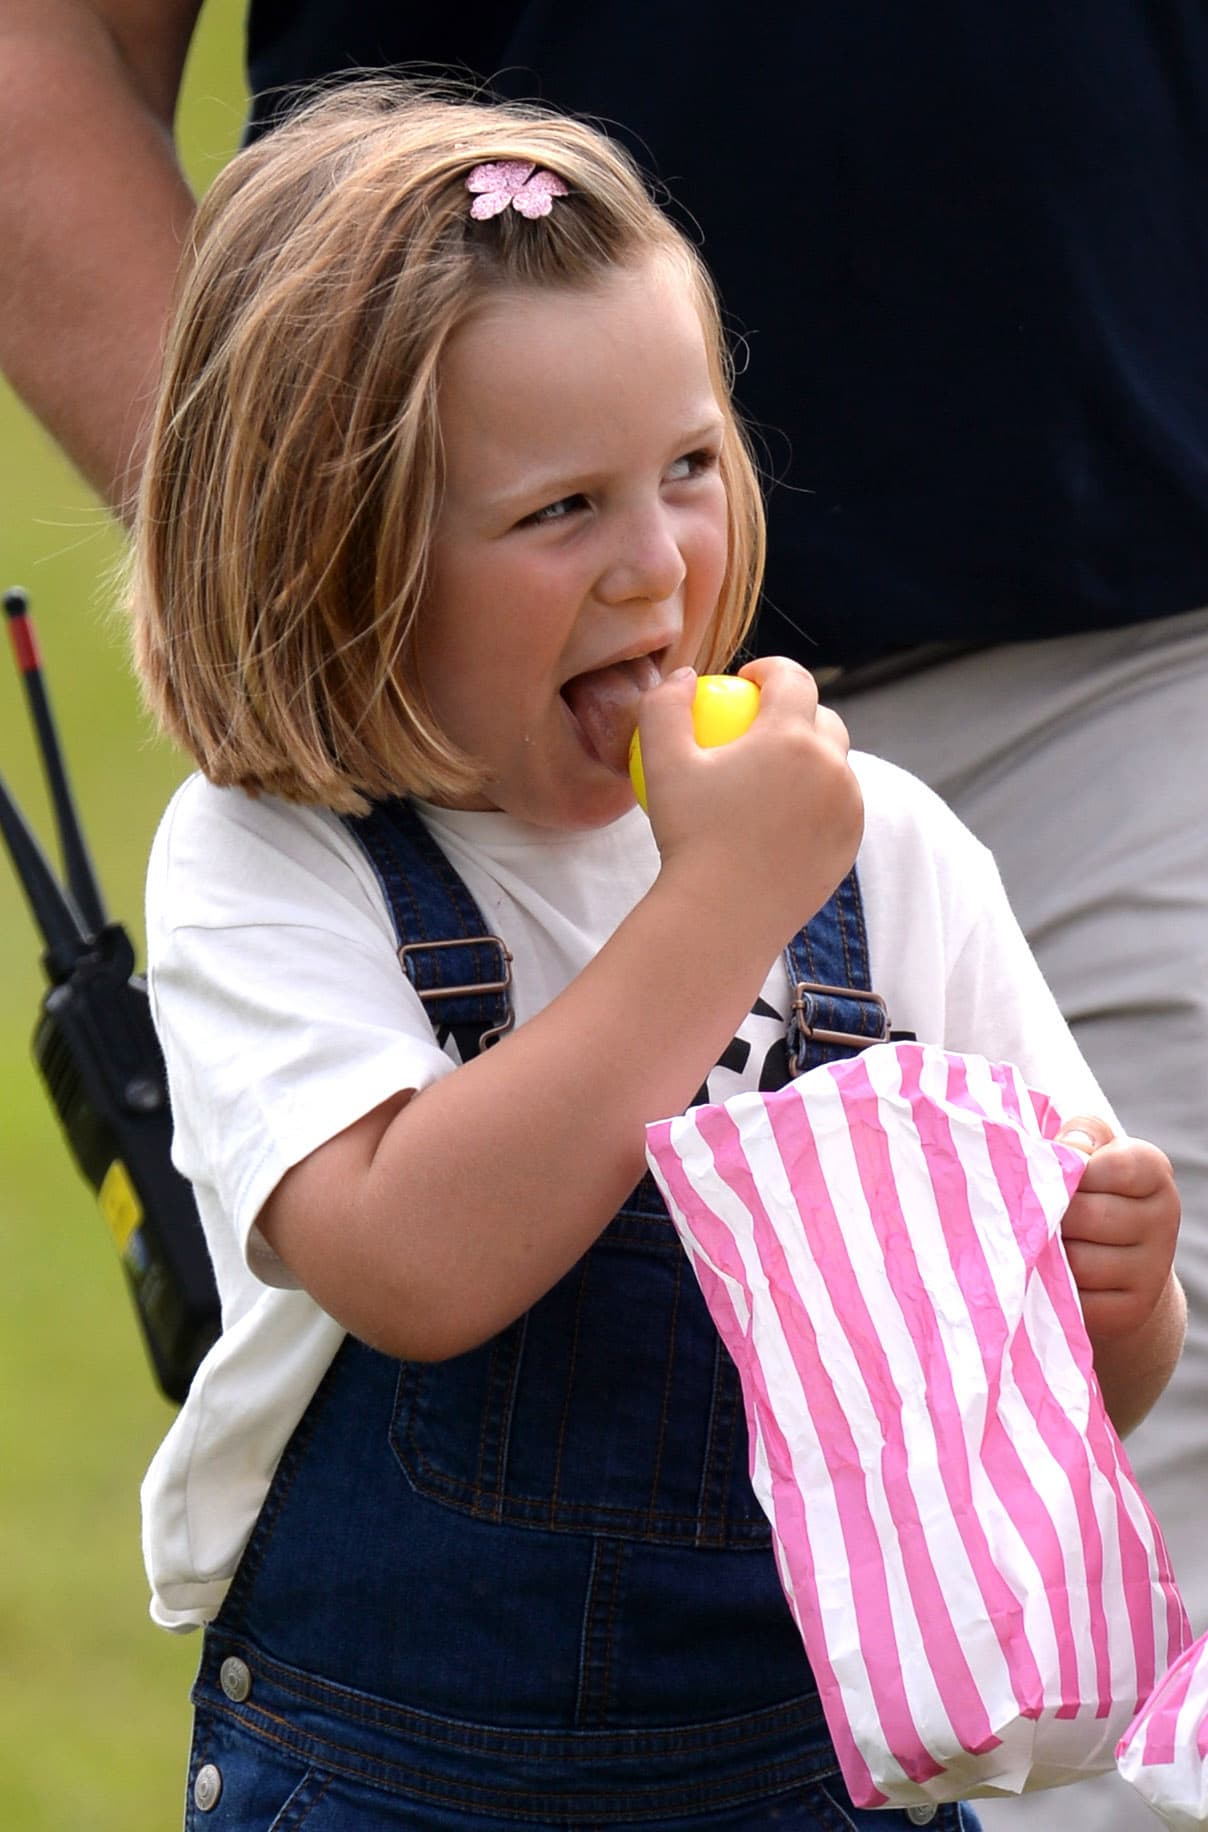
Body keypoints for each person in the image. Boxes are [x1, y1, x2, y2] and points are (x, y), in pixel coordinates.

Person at [4, 12, 1208, 1830]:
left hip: (821, 1782)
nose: (658, 564)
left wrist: (1113, 1309)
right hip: (401, 1783)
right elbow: (415, 1262)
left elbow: (1031, 1382)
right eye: (560, 509)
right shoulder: (271, 868)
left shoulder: (883, 849)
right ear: (339, 549)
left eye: (693, 470)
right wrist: (718, 901)